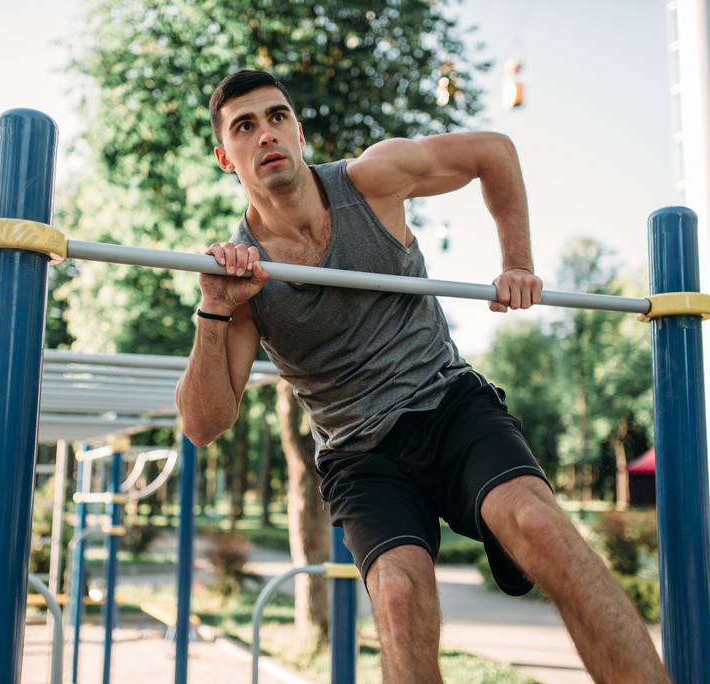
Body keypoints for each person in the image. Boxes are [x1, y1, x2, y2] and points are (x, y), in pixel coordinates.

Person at [175, 70, 670, 684]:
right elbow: (203, 425)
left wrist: (517, 262)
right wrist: (216, 307)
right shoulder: (244, 274)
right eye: (245, 127)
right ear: (227, 157)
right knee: (399, 597)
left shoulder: (370, 182)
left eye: (277, 118)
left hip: (448, 403)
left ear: (299, 132)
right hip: (360, 456)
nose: (266, 134)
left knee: (542, 525)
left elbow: (494, 151)